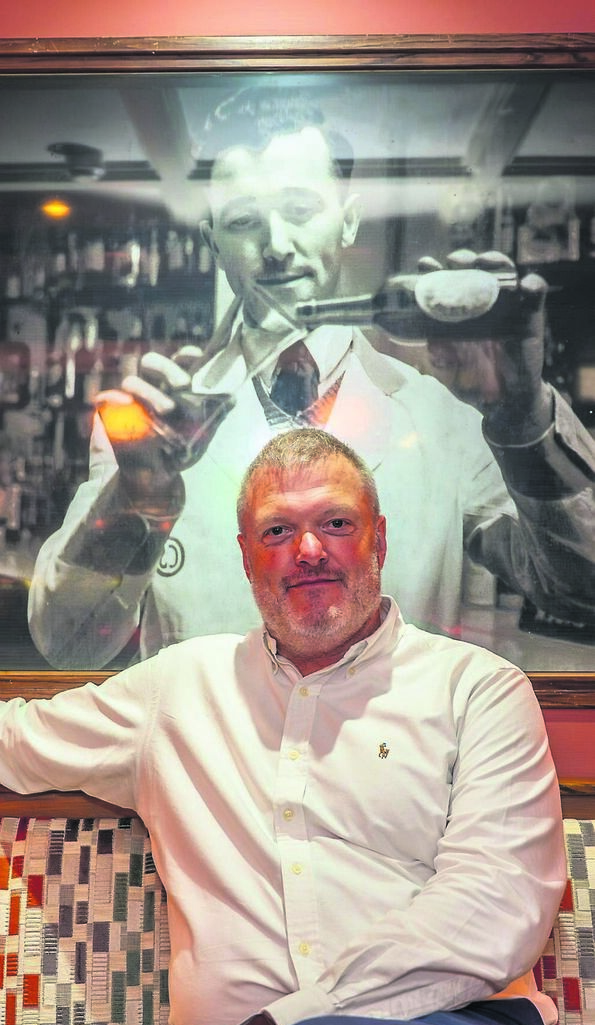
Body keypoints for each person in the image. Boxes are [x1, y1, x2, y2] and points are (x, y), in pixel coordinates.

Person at [3, 428, 566, 1025]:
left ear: (379, 538)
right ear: (244, 555)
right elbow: (16, 742)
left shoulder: (478, 691)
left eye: (335, 522)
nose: (308, 549)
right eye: (277, 530)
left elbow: (489, 913)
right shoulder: (175, 689)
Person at [27, 82, 595, 670]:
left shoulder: (445, 421)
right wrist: (135, 501)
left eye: (300, 210)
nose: (276, 246)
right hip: (206, 760)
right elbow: (69, 645)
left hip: (388, 757)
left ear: (348, 223)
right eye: (245, 219)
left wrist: (524, 418)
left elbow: (583, 593)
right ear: (213, 241)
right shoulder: (152, 427)